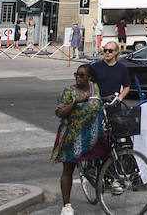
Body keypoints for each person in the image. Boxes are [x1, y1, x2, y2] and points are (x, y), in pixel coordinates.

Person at [52, 64, 105, 215]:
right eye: (76, 74)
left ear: (90, 78)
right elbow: (60, 112)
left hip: (93, 135)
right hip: (72, 136)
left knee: (107, 152)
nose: (78, 77)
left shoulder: (95, 88)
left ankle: (110, 180)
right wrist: (75, 103)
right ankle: (67, 205)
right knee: (68, 169)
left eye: (82, 75)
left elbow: (97, 102)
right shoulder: (68, 91)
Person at [91, 40, 132, 105]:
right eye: (105, 50)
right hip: (97, 104)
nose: (107, 53)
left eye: (110, 51)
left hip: (114, 105)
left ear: (116, 52)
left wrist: (120, 97)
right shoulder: (95, 67)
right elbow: (89, 85)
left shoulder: (122, 68)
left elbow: (127, 86)